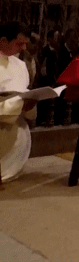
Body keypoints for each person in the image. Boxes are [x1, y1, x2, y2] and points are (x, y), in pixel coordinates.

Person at [0, 22, 35, 181]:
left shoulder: (20, 65)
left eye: (25, 44)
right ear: (3, 41)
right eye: (19, 43)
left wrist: (30, 102)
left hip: (17, 126)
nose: (23, 49)